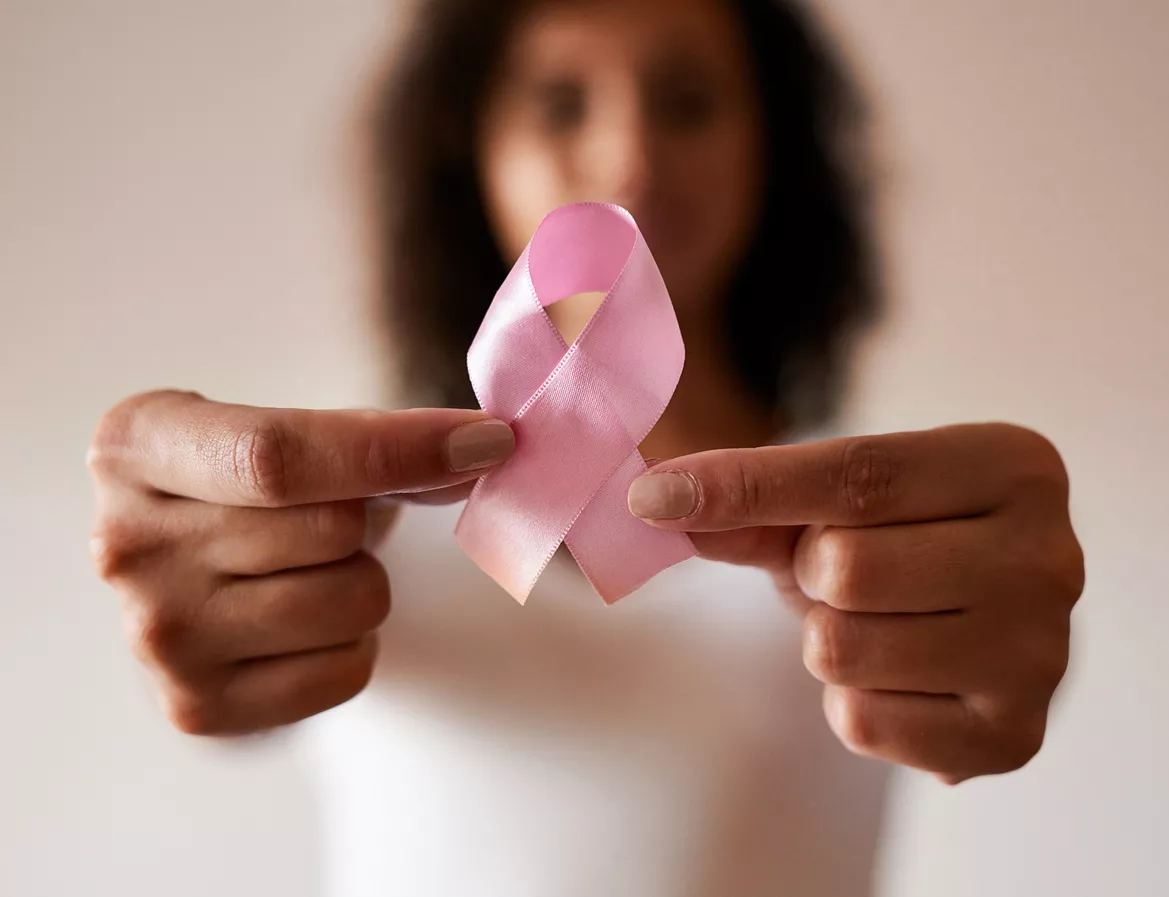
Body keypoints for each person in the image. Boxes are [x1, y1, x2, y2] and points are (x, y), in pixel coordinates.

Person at [86, 0, 1084, 894]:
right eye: (561, 104)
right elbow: (234, 693)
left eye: (687, 101)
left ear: (768, 148)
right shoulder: (345, 518)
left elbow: (991, 676)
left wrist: (999, 668)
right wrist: (195, 625)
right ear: (466, 151)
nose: (629, 161)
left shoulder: (887, 544)